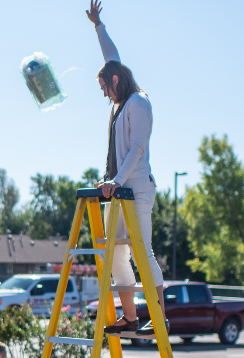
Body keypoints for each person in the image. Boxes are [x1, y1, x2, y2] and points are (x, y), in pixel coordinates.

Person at [86, 0, 167, 336]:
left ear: (116, 81)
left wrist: (116, 181)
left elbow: (137, 148)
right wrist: (98, 25)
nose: (105, 94)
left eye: (105, 87)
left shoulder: (139, 102)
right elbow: (111, 57)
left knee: (140, 252)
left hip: (136, 189)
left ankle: (160, 316)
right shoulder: (121, 99)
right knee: (115, 255)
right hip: (118, 189)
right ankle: (131, 317)